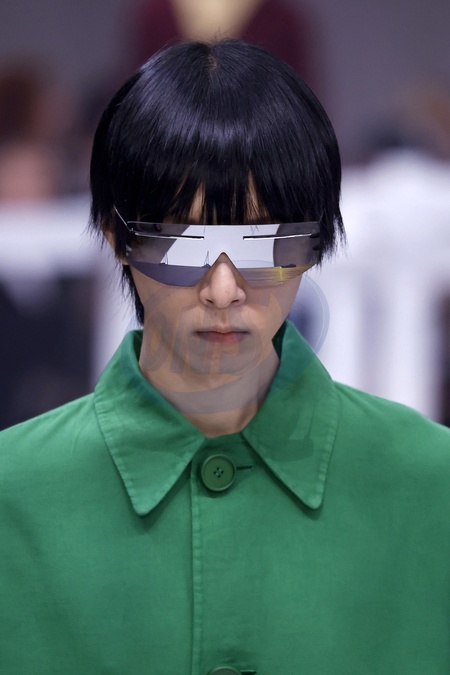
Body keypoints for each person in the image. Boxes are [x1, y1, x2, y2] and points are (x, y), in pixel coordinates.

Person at [0, 39, 449, 675]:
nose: (223, 289)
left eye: (266, 245)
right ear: (115, 237)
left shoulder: (432, 485)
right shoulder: (14, 498)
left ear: (317, 242)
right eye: (181, 245)